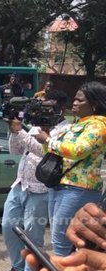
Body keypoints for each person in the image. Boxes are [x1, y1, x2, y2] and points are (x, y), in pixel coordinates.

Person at [0, 90, 69, 271]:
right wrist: (14, 132)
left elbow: (45, 151)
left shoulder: (65, 130)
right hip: (21, 184)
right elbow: (17, 150)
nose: (43, 109)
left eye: (48, 106)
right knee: (8, 226)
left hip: (41, 189)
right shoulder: (37, 125)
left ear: (60, 108)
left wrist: (20, 132)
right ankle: (17, 267)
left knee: (32, 233)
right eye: (42, 105)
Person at [44, 82, 106, 256]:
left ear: (94, 104)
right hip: (60, 184)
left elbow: (78, 151)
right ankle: (67, 270)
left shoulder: (99, 125)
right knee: (60, 238)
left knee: (61, 240)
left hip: (79, 188)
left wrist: (48, 140)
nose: (75, 103)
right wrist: (46, 137)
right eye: (75, 99)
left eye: (80, 100)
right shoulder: (78, 124)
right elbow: (54, 150)